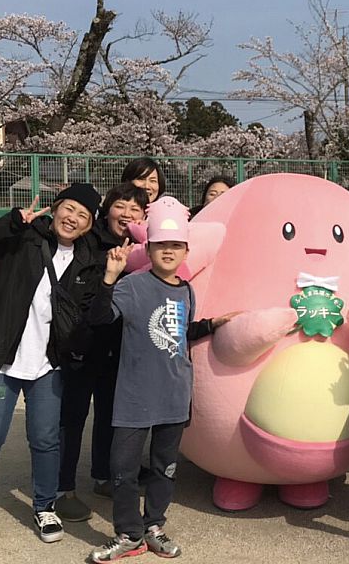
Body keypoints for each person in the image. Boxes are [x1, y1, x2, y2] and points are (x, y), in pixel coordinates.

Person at [87, 196, 236, 562]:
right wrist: (108, 278)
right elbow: (98, 319)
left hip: (173, 394)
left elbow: (180, 331)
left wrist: (211, 325)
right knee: (122, 470)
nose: (168, 252)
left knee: (165, 468)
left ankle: (154, 525)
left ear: (185, 251)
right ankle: (129, 533)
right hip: (134, 396)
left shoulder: (186, 290)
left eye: (175, 246)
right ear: (148, 248)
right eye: (160, 245)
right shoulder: (132, 285)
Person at [0, 183, 102, 549]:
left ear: (89, 224)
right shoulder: (23, 237)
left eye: (83, 215)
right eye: (69, 209)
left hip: (47, 366)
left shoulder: (87, 260)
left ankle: (45, 505)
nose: (73, 218)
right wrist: (11, 223)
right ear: (55, 208)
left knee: (46, 440)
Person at [55, 183, 149, 522]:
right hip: (80, 347)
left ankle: (103, 477)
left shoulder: (144, 248)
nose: (126, 214)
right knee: (72, 420)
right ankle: (62, 489)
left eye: (135, 209)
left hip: (118, 350)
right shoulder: (86, 240)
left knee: (110, 416)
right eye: (120, 205)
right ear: (107, 209)